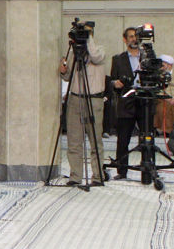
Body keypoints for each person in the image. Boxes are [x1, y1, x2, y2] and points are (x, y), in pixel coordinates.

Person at [59, 30, 107, 187]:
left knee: (95, 140)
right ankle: (75, 176)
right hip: (75, 98)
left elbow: (96, 57)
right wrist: (63, 71)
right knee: (74, 140)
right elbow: (68, 76)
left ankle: (98, 176)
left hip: (94, 99)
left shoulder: (99, 50)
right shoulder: (74, 53)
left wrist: (88, 39)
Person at [108, 27, 144, 178]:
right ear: (125, 39)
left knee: (147, 138)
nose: (134, 39)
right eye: (131, 36)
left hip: (144, 101)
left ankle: (147, 169)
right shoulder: (118, 59)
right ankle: (122, 171)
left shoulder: (147, 57)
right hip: (126, 102)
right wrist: (115, 83)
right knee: (123, 139)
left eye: (136, 36)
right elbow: (112, 80)